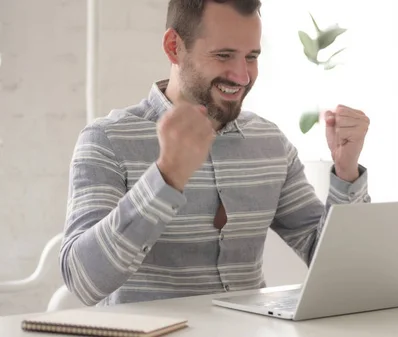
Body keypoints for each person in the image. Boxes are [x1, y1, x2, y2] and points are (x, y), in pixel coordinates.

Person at [60, 0, 371, 307]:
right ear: (173, 47)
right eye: (224, 55)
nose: (242, 76)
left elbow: (338, 268)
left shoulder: (270, 143)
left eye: (251, 57)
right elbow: (85, 282)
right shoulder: (108, 140)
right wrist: (166, 178)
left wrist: (346, 173)